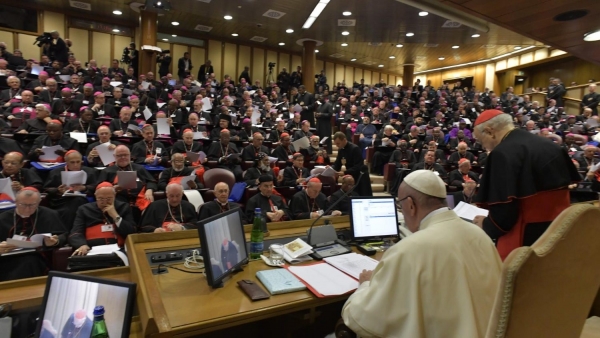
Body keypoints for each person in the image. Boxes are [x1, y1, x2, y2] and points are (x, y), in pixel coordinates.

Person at [341, 170, 501, 337]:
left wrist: (365, 285)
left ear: (410, 205)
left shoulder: (408, 250)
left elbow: (363, 319)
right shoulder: (480, 235)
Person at [472, 110, 580, 260]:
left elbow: (504, 215)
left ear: (490, 132)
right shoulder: (550, 145)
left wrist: (486, 224)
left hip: (525, 236)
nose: (483, 146)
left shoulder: (501, 153)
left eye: (480, 140)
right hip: (559, 231)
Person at [0, 188, 66, 281]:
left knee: (28, 260)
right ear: (16, 201)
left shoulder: (50, 215)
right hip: (7, 259)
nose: (27, 209)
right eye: (23, 205)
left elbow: (63, 235)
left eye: (32, 205)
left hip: (38, 257)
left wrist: (55, 241)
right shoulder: (2, 218)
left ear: (39, 202)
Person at [69, 182, 137, 255]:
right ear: (95, 196)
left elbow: (131, 232)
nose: (104, 202)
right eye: (101, 199)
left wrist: (115, 216)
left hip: (120, 250)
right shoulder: (84, 209)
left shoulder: (124, 207)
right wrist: (82, 244)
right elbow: (75, 232)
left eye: (109, 199)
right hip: (91, 250)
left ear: (115, 196)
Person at [96, 146, 157, 217]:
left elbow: (151, 181)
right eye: (119, 155)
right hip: (118, 201)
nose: (123, 157)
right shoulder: (107, 171)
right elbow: (99, 189)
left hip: (139, 199)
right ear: (114, 156)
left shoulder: (139, 168)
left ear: (130, 155)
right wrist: (112, 189)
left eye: (125, 155)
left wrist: (149, 190)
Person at [43, 150, 96, 230]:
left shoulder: (90, 171)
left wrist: (84, 188)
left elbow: (96, 187)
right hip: (61, 200)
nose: (76, 165)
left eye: (78, 162)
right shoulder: (55, 172)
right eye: (72, 162)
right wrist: (58, 190)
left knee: (76, 203)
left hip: (81, 199)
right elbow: (46, 189)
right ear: (66, 162)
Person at [331, 132, 372, 196]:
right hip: (351, 175)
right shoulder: (341, 150)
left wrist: (345, 172)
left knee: (362, 195)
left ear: (344, 140)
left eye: (338, 143)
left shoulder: (355, 148)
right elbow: (337, 163)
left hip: (360, 176)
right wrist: (331, 169)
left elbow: (358, 166)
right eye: (336, 144)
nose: (337, 146)